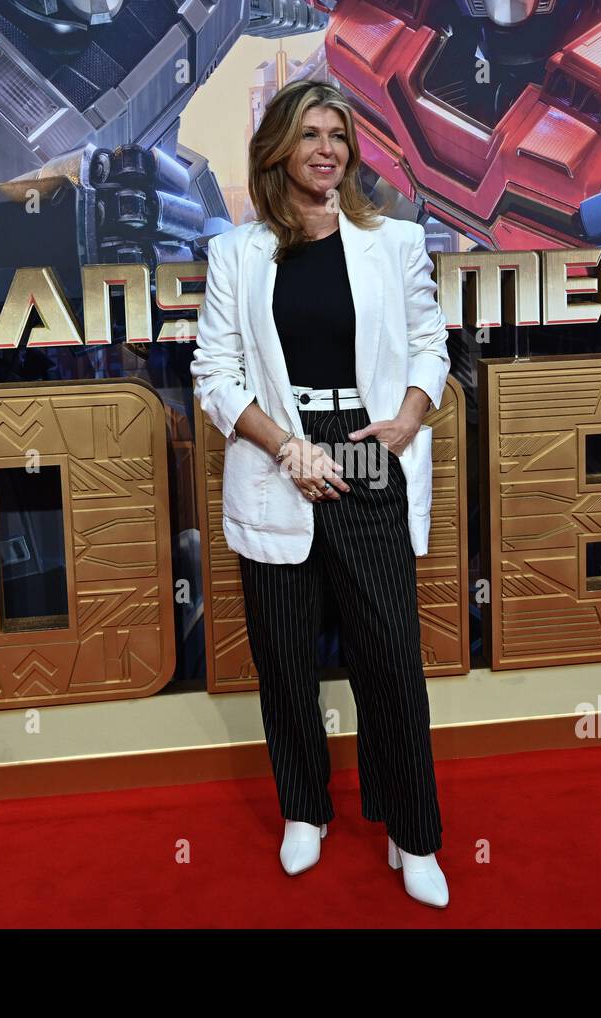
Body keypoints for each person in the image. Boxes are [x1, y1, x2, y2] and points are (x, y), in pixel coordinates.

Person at [190, 80, 452, 908]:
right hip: (278, 461)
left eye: (337, 134)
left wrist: (408, 421)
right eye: (309, 134)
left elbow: (428, 347)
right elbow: (216, 377)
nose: (326, 148)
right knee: (284, 661)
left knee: (391, 660)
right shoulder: (237, 253)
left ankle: (412, 835)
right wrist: (288, 449)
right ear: (279, 148)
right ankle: (304, 812)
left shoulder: (396, 243)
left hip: (372, 453)